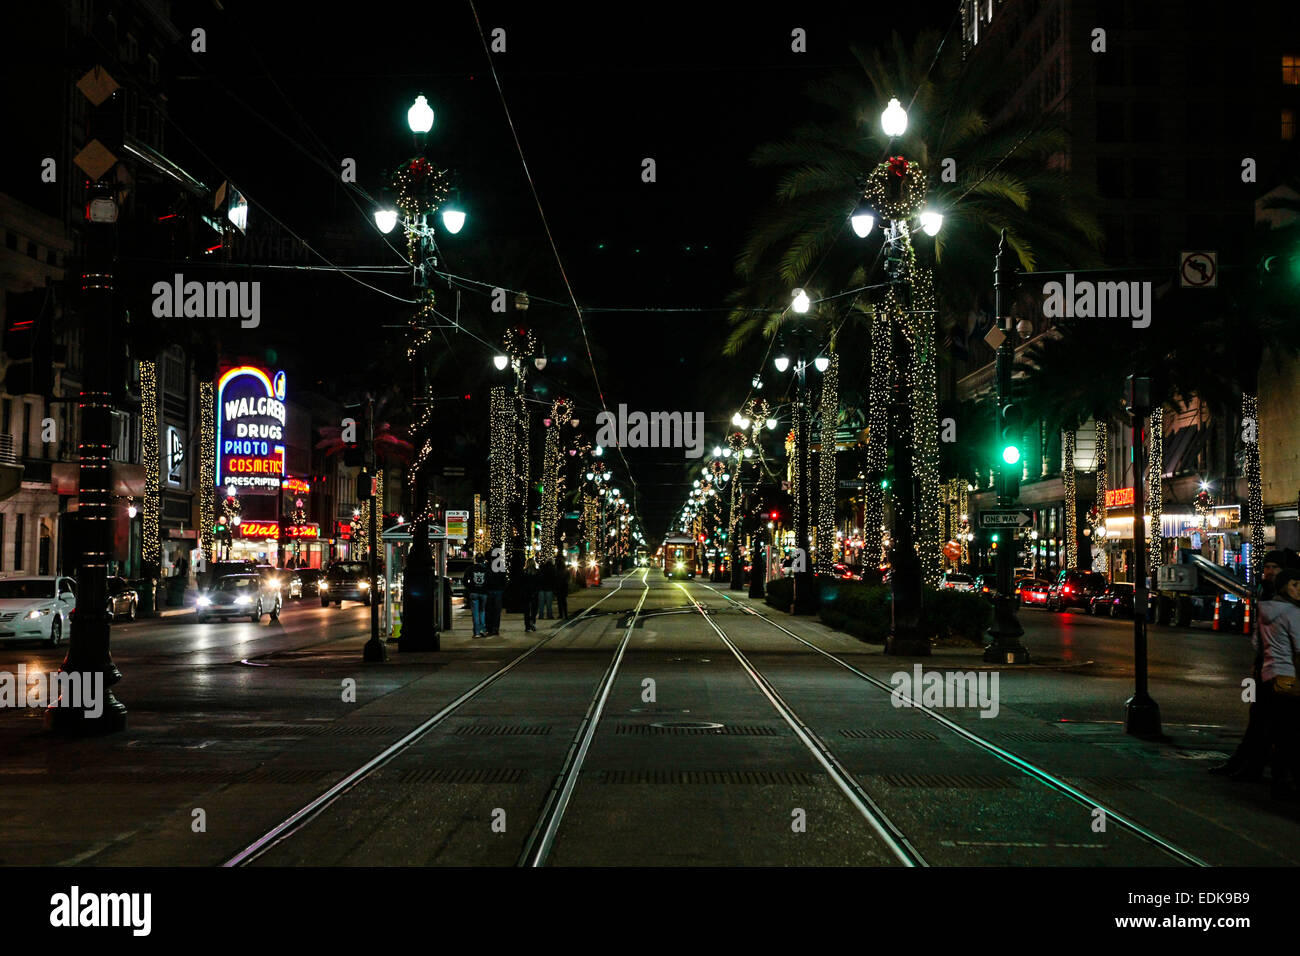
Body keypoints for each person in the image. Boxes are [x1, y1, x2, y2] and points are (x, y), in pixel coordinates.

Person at [1210, 550, 1295, 778]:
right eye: (1266, 567)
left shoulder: (1287, 596)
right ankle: (1248, 763)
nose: (1268, 572)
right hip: (1266, 665)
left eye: (1274, 568)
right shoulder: (1266, 591)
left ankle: (1253, 765)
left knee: (1269, 718)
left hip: (1282, 668)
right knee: (1260, 715)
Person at [463, 553, 489, 638]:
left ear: (475, 560)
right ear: (483, 560)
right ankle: (483, 630)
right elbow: (490, 580)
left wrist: (470, 587)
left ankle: (477, 632)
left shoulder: (470, 569)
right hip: (484, 592)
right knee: (482, 612)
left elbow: (465, 581)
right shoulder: (486, 569)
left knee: (475, 613)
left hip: (474, 592)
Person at [485, 550, 507, 636]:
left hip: (490, 590)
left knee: (489, 610)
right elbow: (504, 579)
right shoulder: (500, 565)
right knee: (496, 611)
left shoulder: (487, 566)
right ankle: (495, 628)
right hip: (498, 591)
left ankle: (489, 628)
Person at [522, 558, 541, 632]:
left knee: (526, 611)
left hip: (526, 593)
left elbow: (522, 584)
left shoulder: (524, 572)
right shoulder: (537, 572)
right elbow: (539, 583)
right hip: (534, 593)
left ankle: (527, 626)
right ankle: (532, 622)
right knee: (534, 609)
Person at [554, 554, 570, 620]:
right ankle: (565, 614)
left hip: (559, 587)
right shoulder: (565, 569)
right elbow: (568, 579)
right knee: (564, 601)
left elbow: (555, 579)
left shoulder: (556, 570)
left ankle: (561, 614)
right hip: (564, 587)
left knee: (560, 601)